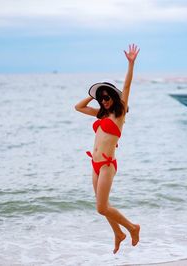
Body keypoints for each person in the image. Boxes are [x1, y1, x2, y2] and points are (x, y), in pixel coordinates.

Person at [74, 44, 140, 254]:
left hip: (107, 165)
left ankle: (131, 228)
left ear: (114, 97)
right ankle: (118, 234)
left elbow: (127, 88)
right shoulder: (100, 114)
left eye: (107, 96)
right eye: (101, 98)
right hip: (94, 164)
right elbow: (78, 107)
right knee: (104, 207)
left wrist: (131, 63)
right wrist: (93, 96)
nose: (105, 100)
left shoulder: (119, 116)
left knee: (101, 207)